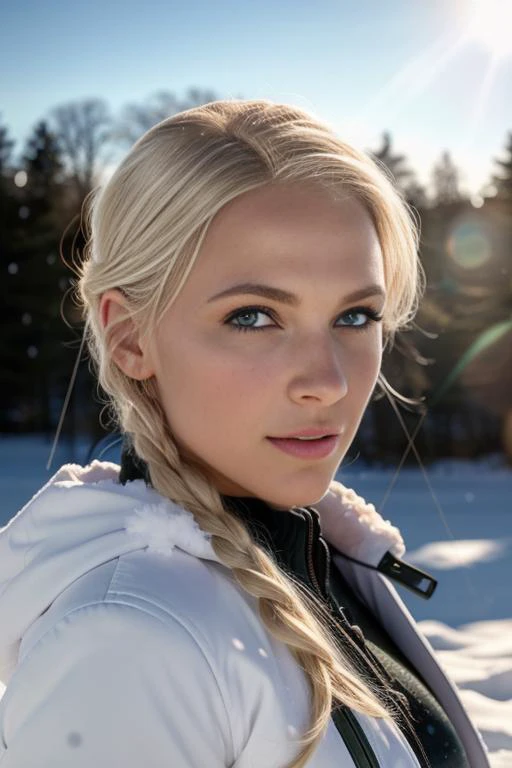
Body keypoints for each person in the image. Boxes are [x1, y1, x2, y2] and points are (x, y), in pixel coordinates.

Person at [0, 100, 489, 768]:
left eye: (355, 315)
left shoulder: (325, 562)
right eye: (254, 316)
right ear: (129, 337)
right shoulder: (126, 639)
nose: (329, 382)